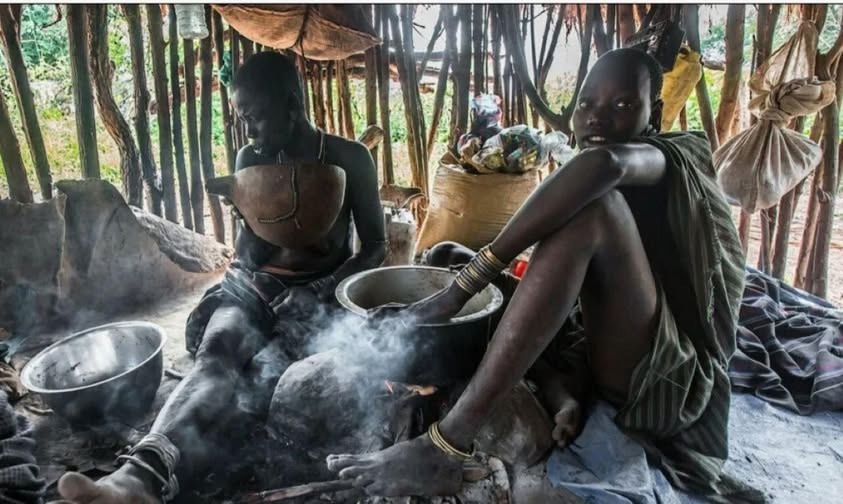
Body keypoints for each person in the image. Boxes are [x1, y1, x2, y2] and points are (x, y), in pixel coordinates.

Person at [327, 47, 753, 502]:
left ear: (657, 112)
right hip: (597, 341)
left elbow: (601, 167)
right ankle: (557, 386)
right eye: (586, 104)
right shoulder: (606, 158)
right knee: (448, 251)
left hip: (666, 371)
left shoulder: (667, 156)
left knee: (595, 210)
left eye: (622, 105)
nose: (596, 119)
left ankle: (448, 442)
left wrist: (457, 293)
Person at [57, 51, 387, 503]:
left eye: (253, 117)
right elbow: (249, 257)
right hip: (252, 286)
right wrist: (248, 215)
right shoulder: (250, 159)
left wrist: (319, 290)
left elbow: (376, 247)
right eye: (241, 119)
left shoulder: (350, 159)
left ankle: (165, 479)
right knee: (218, 355)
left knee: (268, 388)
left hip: (322, 296)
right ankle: (138, 475)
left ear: (291, 106)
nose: (247, 132)